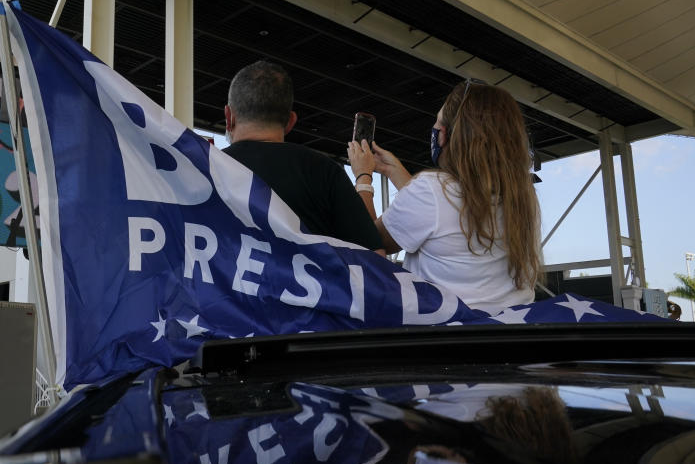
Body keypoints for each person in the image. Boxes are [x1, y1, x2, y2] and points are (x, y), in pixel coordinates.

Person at [348, 80, 542, 313]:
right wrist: (392, 170)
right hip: (508, 333)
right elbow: (444, 211)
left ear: (447, 136)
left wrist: (363, 178)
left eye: (438, 124)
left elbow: (369, 244)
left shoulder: (431, 190)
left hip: (447, 338)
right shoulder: (523, 197)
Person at [222, 61, 384, 254]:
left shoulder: (203, 168)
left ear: (229, 116)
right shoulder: (323, 171)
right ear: (290, 121)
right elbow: (374, 259)